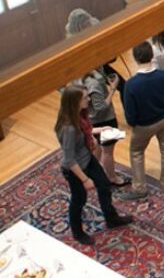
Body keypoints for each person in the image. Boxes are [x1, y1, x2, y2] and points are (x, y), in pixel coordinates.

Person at [56, 85, 133, 244]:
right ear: (75, 102)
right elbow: (69, 160)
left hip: (87, 158)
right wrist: (85, 179)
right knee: (79, 200)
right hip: (75, 169)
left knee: (104, 186)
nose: (89, 99)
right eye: (85, 97)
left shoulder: (80, 116)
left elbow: (85, 131)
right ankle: (78, 233)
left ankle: (111, 218)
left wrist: (98, 129)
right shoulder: (68, 128)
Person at [121, 42, 164, 200]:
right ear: (152, 55)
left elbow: (130, 111)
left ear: (136, 58)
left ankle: (139, 188)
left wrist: (133, 124)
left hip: (144, 124)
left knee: (136, 152)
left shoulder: (131, 84)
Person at [80, 67, 127, 188]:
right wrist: (112, 89)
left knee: (98, 148)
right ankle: (112, 178)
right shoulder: (93, 83)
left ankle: (92, 172)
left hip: (94, 120)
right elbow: (99, 108)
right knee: (108, 151)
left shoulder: (85, 76)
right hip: (104, 120)